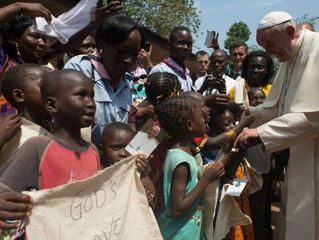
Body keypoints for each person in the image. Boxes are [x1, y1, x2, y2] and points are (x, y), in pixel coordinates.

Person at [235, 11, 319, 239]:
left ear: (290, 32)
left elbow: (314, 116)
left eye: (270, 45)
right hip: (299, 154)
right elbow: (277, 106)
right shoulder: (288, 56)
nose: (269, 53)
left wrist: (259, 133)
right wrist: (249, 113)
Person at [0, 1, 122, 117]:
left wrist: (94, 23)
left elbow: (61, 45)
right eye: (35, 36)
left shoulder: (43, 65)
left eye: (45, 38)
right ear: (14, 39)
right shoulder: (4, 60)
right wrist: (18, 7)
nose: (42, 43)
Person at [64, 15, 145, 146]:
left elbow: (128, 122)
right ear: (102, 45)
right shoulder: (80, 68)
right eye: (122, 51)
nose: (129, 60)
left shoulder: (127, 82)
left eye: (134, 54)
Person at [155, 95, 225, 239]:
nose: (205, 118)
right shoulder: (180, 161)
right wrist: (205, 180)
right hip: (179, 235)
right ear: (189, 125)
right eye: (200, 116)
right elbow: (177, 207)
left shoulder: (186, 154)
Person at [0, 64, 49, 166]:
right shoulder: (11, 132)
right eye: (44, 86)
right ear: (19, 95)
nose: (53, 91)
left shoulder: (57, 128)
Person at [99, 122, 156, 208]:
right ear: (101, 149)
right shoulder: (97, 172)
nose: (123, 153)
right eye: (116, 147)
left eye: (128, 149)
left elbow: (152, 200)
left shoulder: (135, 171)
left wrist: (142, 176)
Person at [245, 88, 272, 240]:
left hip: (262, 173)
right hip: (244, 175)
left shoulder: (270, 122)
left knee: (258, 213)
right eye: (254, 98)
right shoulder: (241, 122)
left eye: (262, 98)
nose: (259, 101)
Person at [150, 26, 194, 92]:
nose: (185, 47)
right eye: (181, 43)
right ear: (169, 45)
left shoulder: (187, 74)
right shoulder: (160, 70)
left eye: (189, 44)